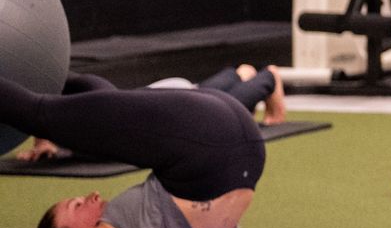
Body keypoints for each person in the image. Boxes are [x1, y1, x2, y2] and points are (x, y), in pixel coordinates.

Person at [4, 73, 374, 228]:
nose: (90, 196)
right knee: (60, 112)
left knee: (48, 114)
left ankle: (56, 77)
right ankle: (58, 82)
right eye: (76, 206)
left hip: (209, 143)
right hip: (228, 145)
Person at [16, 64, 289, 163]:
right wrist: (43, 141)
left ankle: (269, 77)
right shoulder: (72, 124)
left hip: (185, 107)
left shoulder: (101, 108)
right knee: (205, 89)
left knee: (227, 108)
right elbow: (44, 105)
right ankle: (241, 73)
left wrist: (44, 138)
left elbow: (63, 88)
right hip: (173, 94)